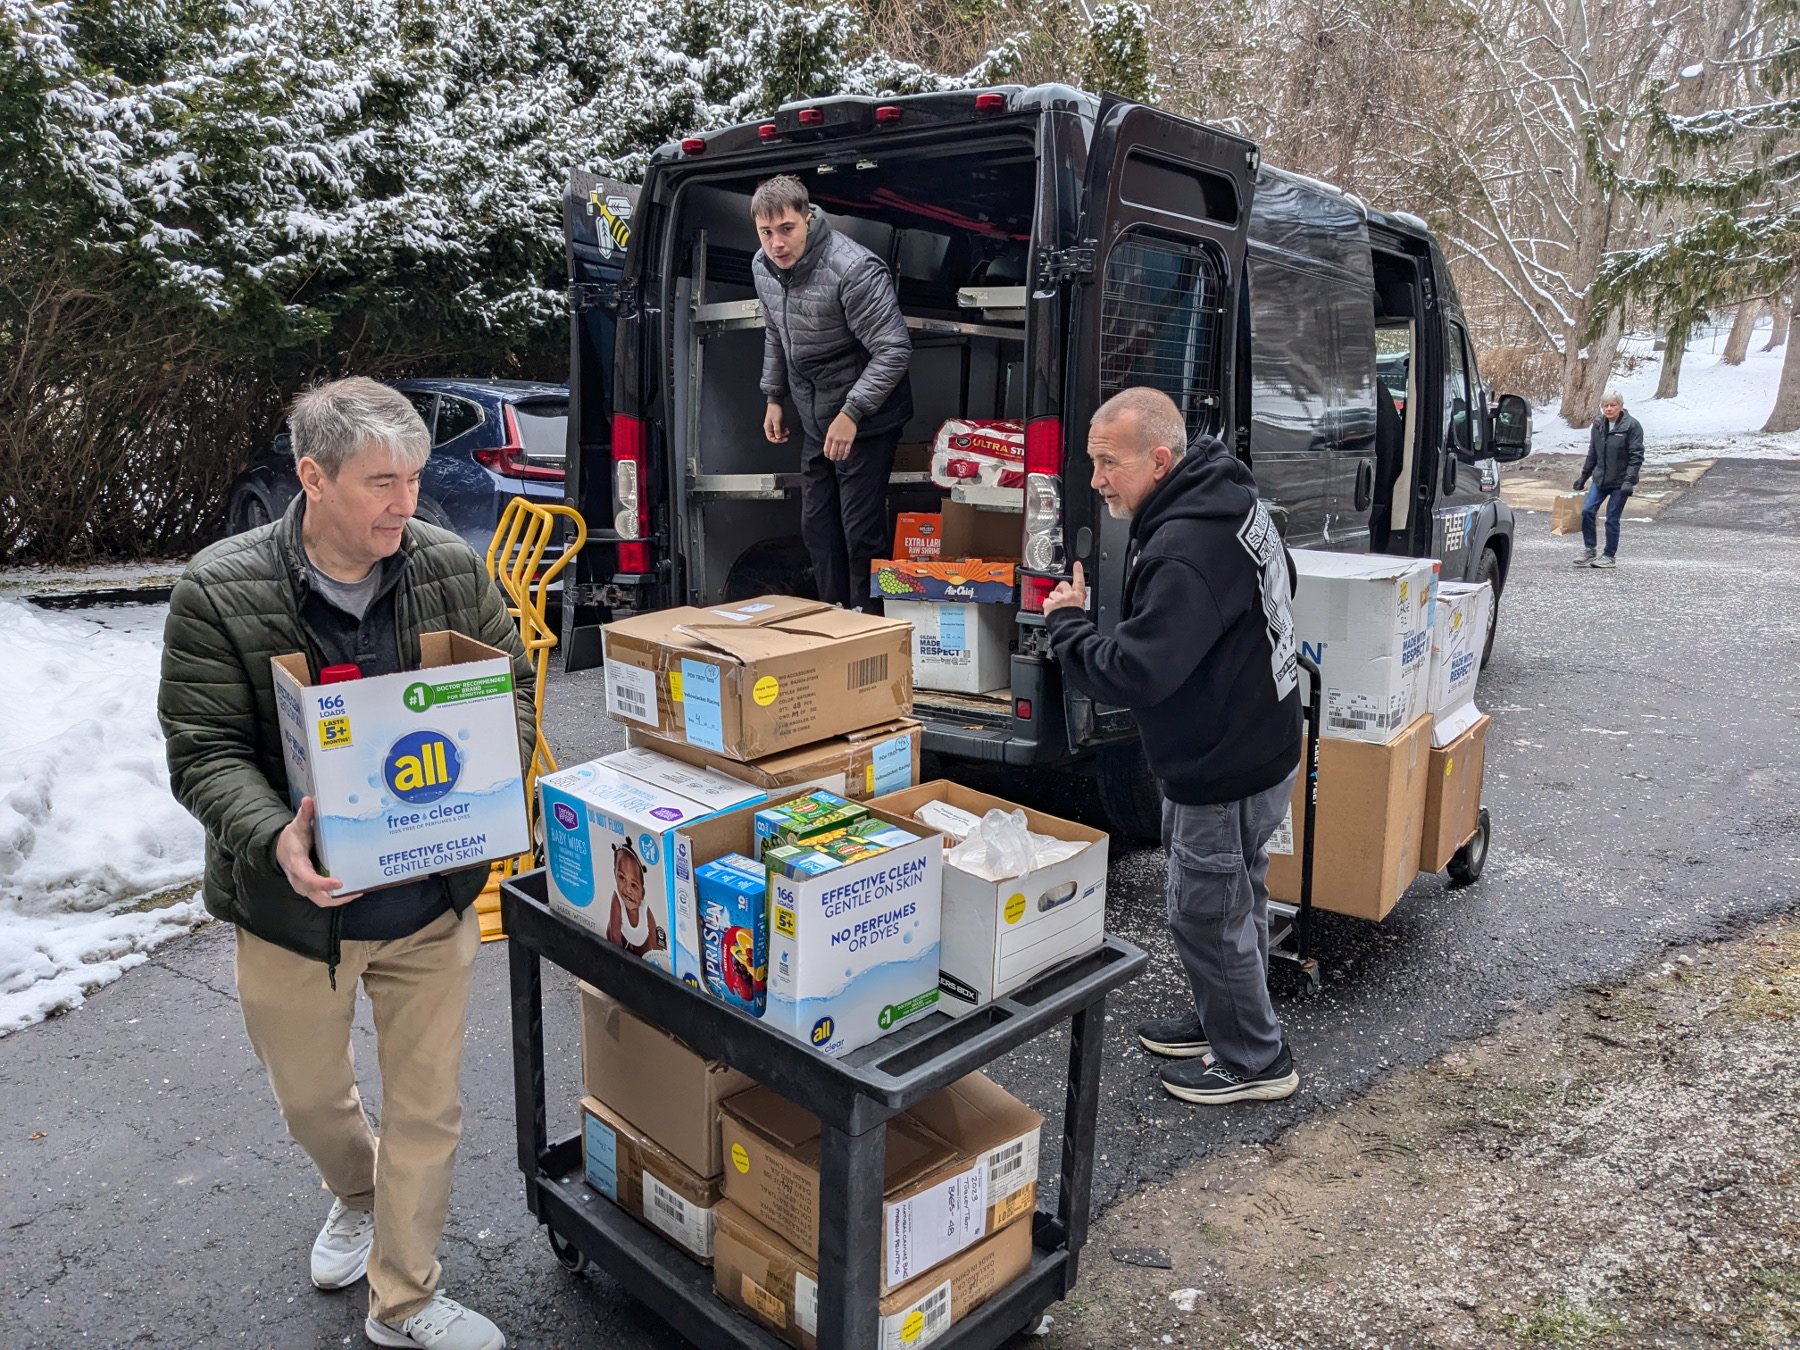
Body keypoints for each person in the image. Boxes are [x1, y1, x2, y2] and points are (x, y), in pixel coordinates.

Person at [159, 378, 533, 1350]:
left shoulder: (447, 565)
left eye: (412, 478)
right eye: (381, 483)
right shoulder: (220, 588)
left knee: (428, 1110)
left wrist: (493, 775)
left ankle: (404, 1298)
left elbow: (511, 683)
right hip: (296, 912)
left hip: (430, 902)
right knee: (313, 1102)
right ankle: (359, 1194)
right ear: (313, 478)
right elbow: (203, 748)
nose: (406, 504)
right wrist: (273, 835)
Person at [1042, 388, 1303, 1106]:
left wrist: (1067, 625)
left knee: (1206, 911)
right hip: (1260, 746)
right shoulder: (1228, 500)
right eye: (1092, 461)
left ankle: (1253, 1060)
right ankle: (1230, 1017)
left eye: (1109, 463)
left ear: (1159, 460)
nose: (1096, 480)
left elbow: (1136, 672)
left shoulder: (1186, 547)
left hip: (1222, 765)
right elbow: (1284, 581)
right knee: (1237, 897)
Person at [751, 174, 913, 611]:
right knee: (818, 528)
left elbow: (894, 349)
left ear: (808, 218)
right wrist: (774, 396)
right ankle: (833, 619)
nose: (777, 243)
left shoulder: (853, 268)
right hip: (816, 415)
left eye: (787, 229)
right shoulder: (763, 267)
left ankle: (869, 625)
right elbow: (776, 332)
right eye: (766, 232)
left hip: (869, 416)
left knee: (860, 531)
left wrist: (853, 413)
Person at [1573, 389, 1643, 569]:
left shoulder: (1632, 426)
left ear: (1621, 406)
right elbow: (1593, 453)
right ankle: (1590, 549)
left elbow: (1636, 456)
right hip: (1601, 479)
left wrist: (1629, 480)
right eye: (1606, 406)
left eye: (1613, 405)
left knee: (1612, 518)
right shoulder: (1598, 425)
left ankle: (1609, 555)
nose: (1609, 409)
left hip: (1620, 482)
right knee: (1587, 511)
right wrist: (1583, 477)